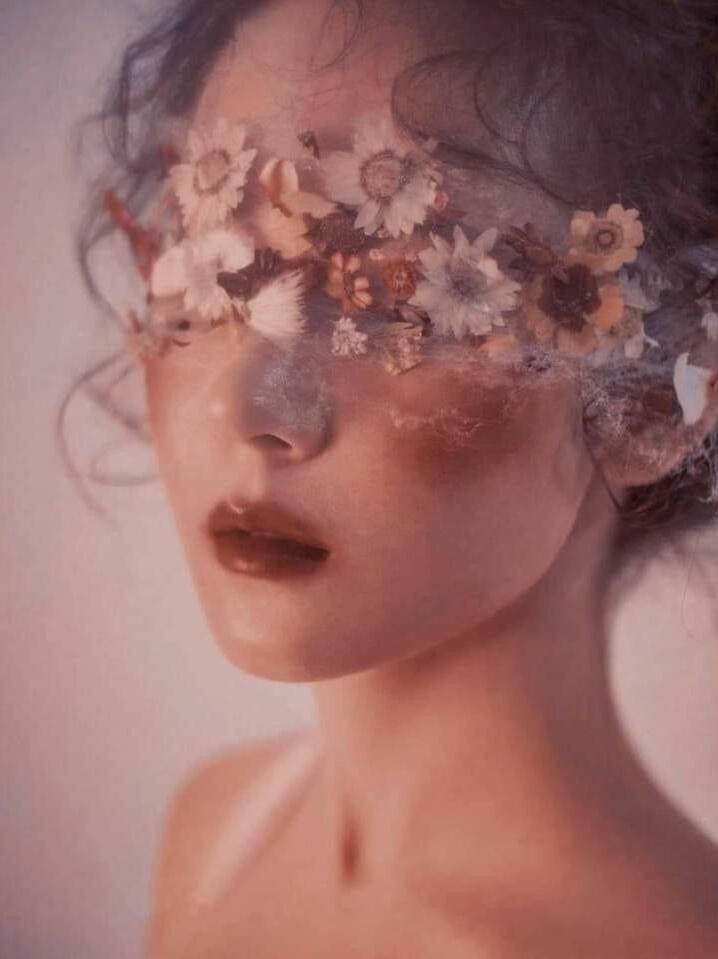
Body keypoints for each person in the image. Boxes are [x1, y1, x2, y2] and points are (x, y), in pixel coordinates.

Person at [79, 0, 718, 955]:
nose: (247, 406)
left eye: (397, 297)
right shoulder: (213, 832)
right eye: (214, 270)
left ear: (660, 402)